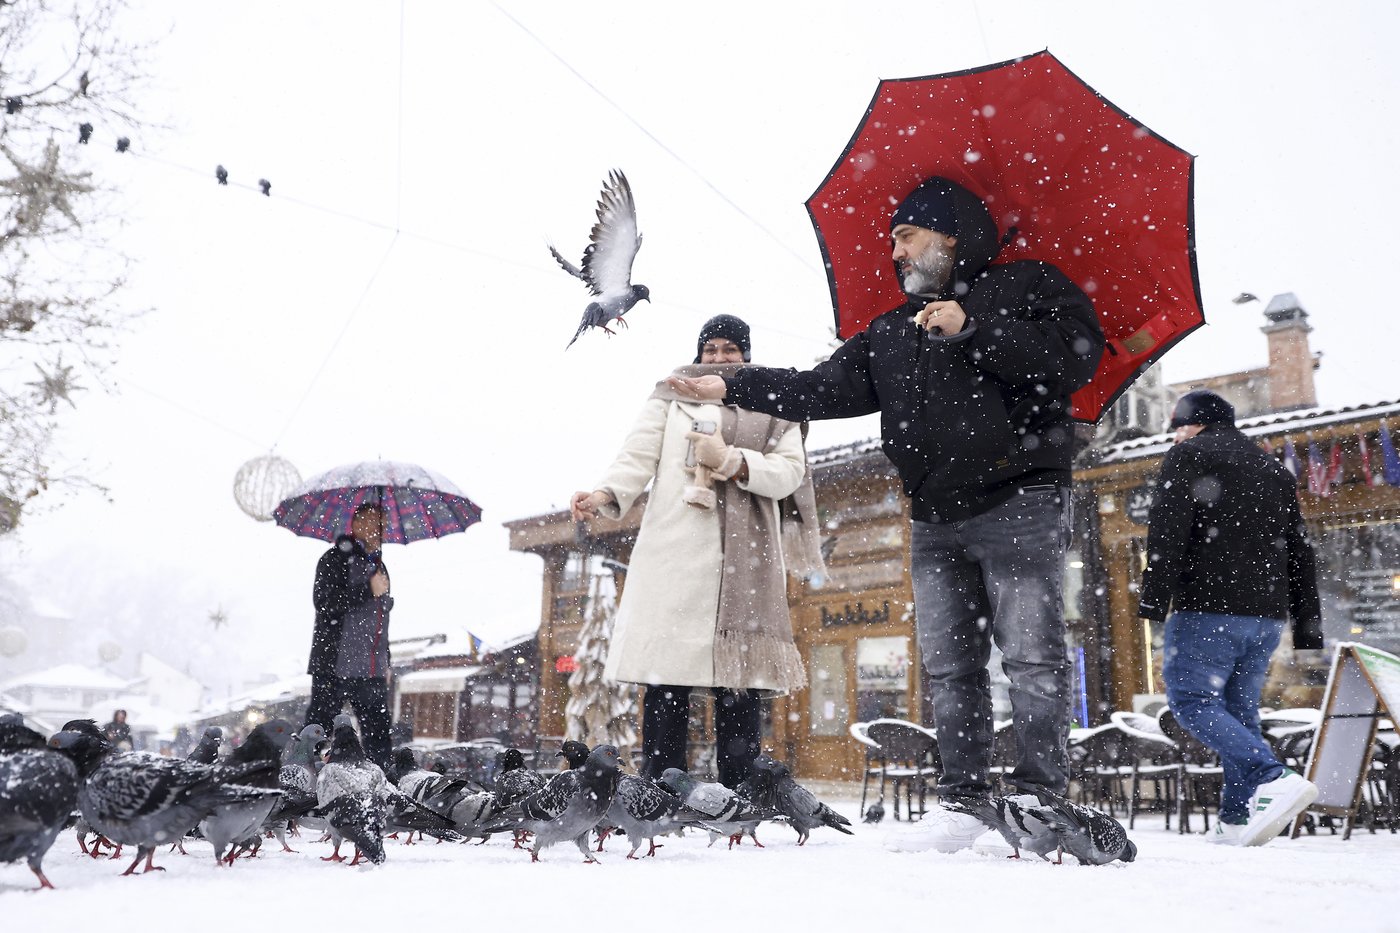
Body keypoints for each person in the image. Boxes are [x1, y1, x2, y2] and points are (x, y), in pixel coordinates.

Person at [667, 176, 1104, 850]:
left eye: (905, 235)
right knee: (951, 665)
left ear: (948, 234)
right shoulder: (892, 331)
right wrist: (732, 384)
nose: (894, 251)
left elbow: (1076, 358)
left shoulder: (1027, 285)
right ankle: (962, 801)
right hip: (933, 516)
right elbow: (820, 387)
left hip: (1022, 500)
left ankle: (1034, 797)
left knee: (1033, 659)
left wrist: (976, 330)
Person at [571, 315, 820, 788]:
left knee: (739, 686)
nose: (720, 358)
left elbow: (790, 472)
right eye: (712, 349)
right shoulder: (671, 393)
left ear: (746, 355)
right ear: (699, 353)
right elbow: (637, 455)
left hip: (746, 561)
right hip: (675, 553)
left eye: (731, 349)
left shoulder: (776, 403)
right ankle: (663, 790)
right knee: (667, 681)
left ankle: (736, 795)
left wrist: (731, 461)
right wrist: (604, 495)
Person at [1138, 389, 1322, 846]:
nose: (1175, 434)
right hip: (1265, 616)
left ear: (1191, 423)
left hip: (1207, 607)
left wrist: (1153, 602)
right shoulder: (1274, 470)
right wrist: (1307, 625)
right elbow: (1299, 549)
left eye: (1177, 425)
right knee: (1240, 714)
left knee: (1191, 701)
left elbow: (1167, 528)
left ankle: (1273, 776)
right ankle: (1237, 820)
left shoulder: (1188, 457)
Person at [304, 501, 394, 772]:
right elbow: (324, 602)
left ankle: (381, 786)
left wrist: (386, 660)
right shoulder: (333, 559)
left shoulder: (380, 566)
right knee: (317, 730)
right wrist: (368, 589)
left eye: (383, 524)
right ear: (355, 525)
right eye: (373, 522)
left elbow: (381, 621)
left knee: (379, 737)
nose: (380, 530)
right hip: (335, 663)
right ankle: (300, 780)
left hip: (371, 667)